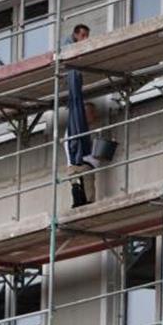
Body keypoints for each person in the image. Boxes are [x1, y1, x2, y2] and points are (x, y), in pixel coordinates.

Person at [64, 23, 97, 208]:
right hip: (78, 167)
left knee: (88, 196)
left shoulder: (84, 129)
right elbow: (72, 149)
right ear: (75, 35)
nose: (85, 38)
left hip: (83, 167)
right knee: (84, 198)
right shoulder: (76, 126)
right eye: (82, 35)